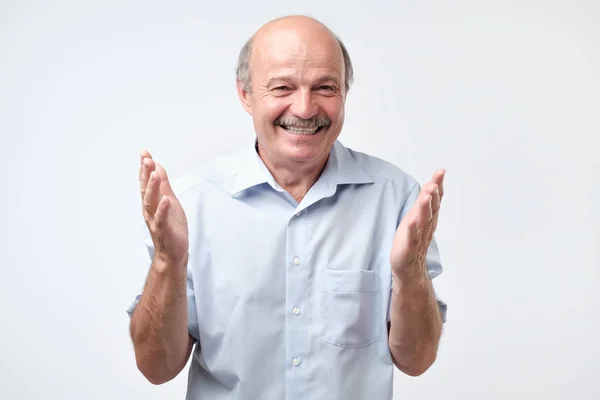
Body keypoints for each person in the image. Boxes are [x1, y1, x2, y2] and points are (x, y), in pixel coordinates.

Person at [126, 14, 448, 400]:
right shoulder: (193, 203)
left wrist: (410, 272)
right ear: (245, 94)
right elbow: (156, 369)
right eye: (282, 87)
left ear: (344, 92)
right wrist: (167, 261)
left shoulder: (396, 199)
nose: (305, 107)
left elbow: (418, 360)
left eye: (325, 87)